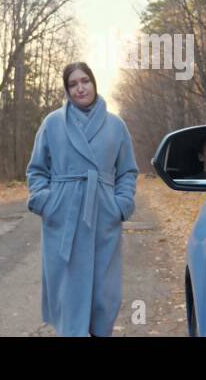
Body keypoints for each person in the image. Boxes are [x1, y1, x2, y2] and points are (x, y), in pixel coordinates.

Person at [25, 62, 139, 337]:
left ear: (94, 83)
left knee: (104, 292)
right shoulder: (52, 123)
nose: (80, 88)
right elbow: (37, 169)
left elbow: (127, 171)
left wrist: (120, 205)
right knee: (68, 292)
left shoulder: (115, 125)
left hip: (102, 214)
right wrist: (46, 202)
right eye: (73, 84)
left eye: (84, 81)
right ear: (67, 90)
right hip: (63, 215)